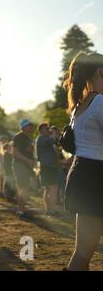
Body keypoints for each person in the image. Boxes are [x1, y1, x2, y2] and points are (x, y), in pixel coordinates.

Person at [63, 52, 103, 271]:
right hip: (97, 178)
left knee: (82, 254)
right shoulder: (99, 103)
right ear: (101, 71)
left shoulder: (80, 106)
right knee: (82, 255)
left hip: (83, 175)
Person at [12, 119, 36, 220]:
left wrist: (33, 160)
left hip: (26, 165)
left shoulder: (28, 138)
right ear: (23, 127)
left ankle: (21, 210)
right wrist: (27, 160)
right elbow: (15, 152)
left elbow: (29, 152)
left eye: (31, 125)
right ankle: (21, 211)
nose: (31, 127)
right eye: (29, 125)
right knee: (23, 187)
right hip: (20, 164)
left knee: (23, 188)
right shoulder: (18, 137)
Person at [35, 123, 59, 215]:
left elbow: (55, 141)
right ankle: (51, 210)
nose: (48, 130)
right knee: (53, 188)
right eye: (46, 129)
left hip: (47, 167)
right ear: (40, 130)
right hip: (48, 167)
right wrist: (53, 134)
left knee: (48, 189)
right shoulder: (41, 138)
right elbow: (52, 140)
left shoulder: (44, 138)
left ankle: (49, 210)